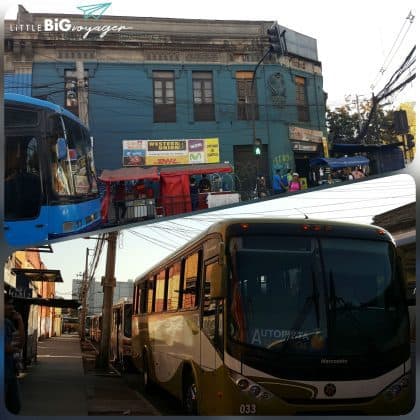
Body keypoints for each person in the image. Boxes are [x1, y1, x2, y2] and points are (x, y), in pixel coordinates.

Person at [4, 295, 24, 414]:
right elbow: (6, 348)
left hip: (10, 373)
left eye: (12, 304)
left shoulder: (7, 323)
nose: (11, 307)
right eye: (7, 304)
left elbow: (20, 344)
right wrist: (14, 348)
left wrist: (20, 320)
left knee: (14, 407)